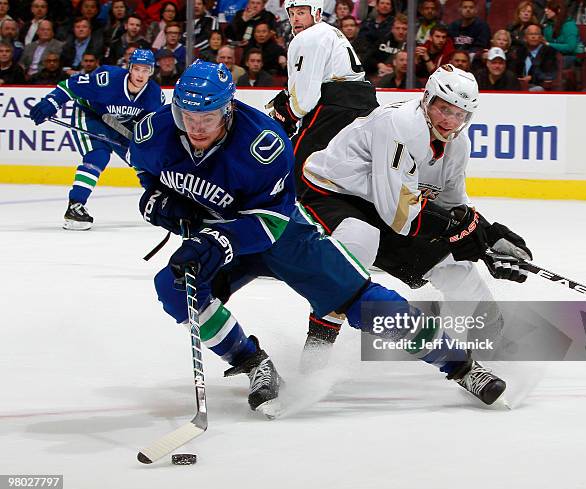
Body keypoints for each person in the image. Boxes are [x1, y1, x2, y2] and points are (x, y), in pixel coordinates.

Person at [129, 60, 509, 414]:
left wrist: (219, 240)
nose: (196, 127)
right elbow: (152, 175)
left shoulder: (263, 142)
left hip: (281, 236)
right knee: (173, 287)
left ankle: (460, 366)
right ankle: (251, 362)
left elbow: (272, 220)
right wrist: (158, 201)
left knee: (362, 300)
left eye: (208, 118)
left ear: (228, 110)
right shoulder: (154, 132)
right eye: (188, 116)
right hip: (217, 234)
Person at [297, 64, 531, 382]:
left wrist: (486, 238)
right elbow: (399, 215)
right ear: (426, 99)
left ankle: (490, 354)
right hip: (331, 192)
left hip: (390, 208)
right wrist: (462, 231)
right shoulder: (400, 125)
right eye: (443, 108)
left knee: (458, 269)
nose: (449, 120)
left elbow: (451, 206)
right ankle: (314, 357)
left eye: (459, 114)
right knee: (357, 244)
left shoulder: (457, 147)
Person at [29, 49, 164, 230]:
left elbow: (150, 126)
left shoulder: (155, 96)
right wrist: (52, 102)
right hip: (90, 115)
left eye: (146, 70)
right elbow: (71, 85)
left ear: (152, 71)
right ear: (130, 68)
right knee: (98, 156)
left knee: (143, 160)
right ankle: (75, 206)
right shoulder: (107, 78)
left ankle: (163, 202)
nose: (141, 74)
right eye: (137, 69)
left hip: (120, 125)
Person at [267, 0, 378, 198]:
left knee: (298, 166)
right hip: (365, 106)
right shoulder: (330, 32)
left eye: (301, 12)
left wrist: (287, 113)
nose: (295, 19)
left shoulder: (309, 37)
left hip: (338, 107)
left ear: (317, 13)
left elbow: (304, 102)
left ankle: (295, 215)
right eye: (291, 14)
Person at [515, 22, 558, 90]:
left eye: (536, 34)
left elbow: (549, 74)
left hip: (540, 87)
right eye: (530, 34)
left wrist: (532, 78)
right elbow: (516, 70)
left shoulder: (549, 51)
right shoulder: (521, 51)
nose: (533, 36)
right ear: (525, 37)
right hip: (521, 86)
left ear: (541, 37)